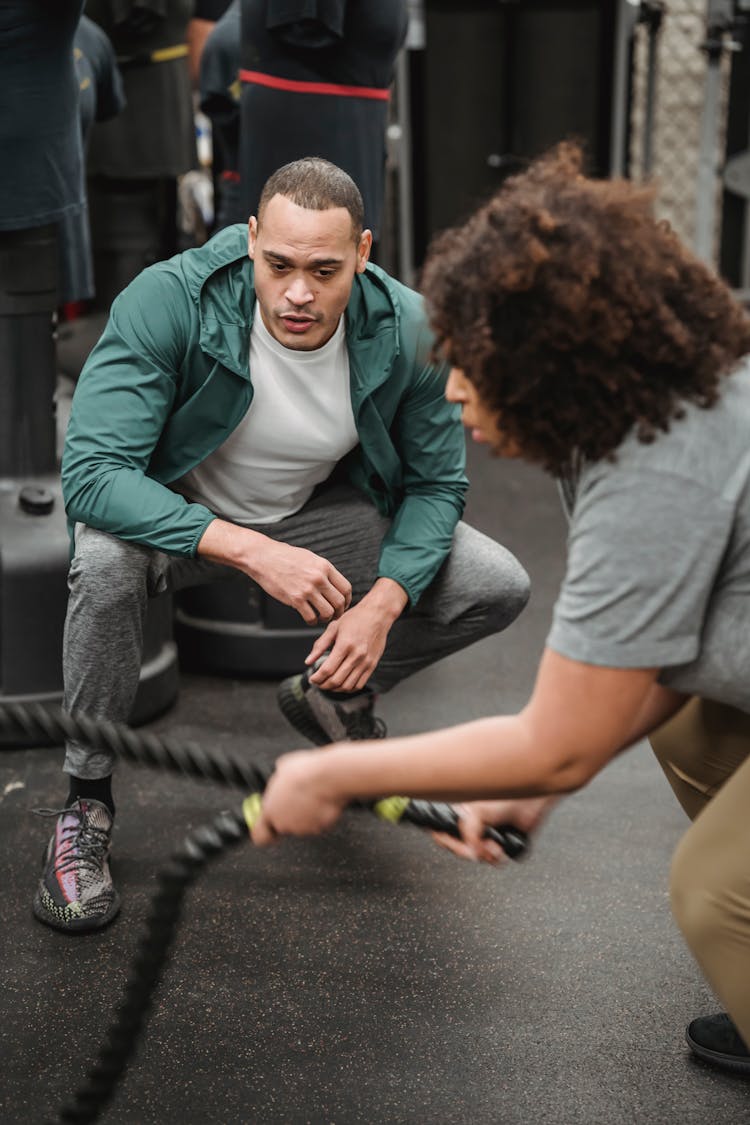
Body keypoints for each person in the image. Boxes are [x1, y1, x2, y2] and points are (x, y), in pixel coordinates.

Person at [251, 143, 750, 1076]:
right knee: (694, 734)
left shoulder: (658, 467)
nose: (451, 390)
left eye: (475, 369)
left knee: (718, 889)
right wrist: (544, 786)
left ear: (547, 366)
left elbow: (556, 732)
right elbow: (655, 669)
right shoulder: (625, 424)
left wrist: (330, 778)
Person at [34, 156, 530, 934]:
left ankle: (334, 696)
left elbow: (437, 486)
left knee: (493, 582)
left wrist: (383, 605)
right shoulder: (173, 300)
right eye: (279, 265)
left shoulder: (408, 327)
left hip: (316, 519)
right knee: (101, 560)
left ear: (363, 252)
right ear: (251, 238)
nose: (299, 292)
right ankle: (84, 803)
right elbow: (93, 475)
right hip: (180, 517)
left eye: (325, 270)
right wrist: (247, 549)